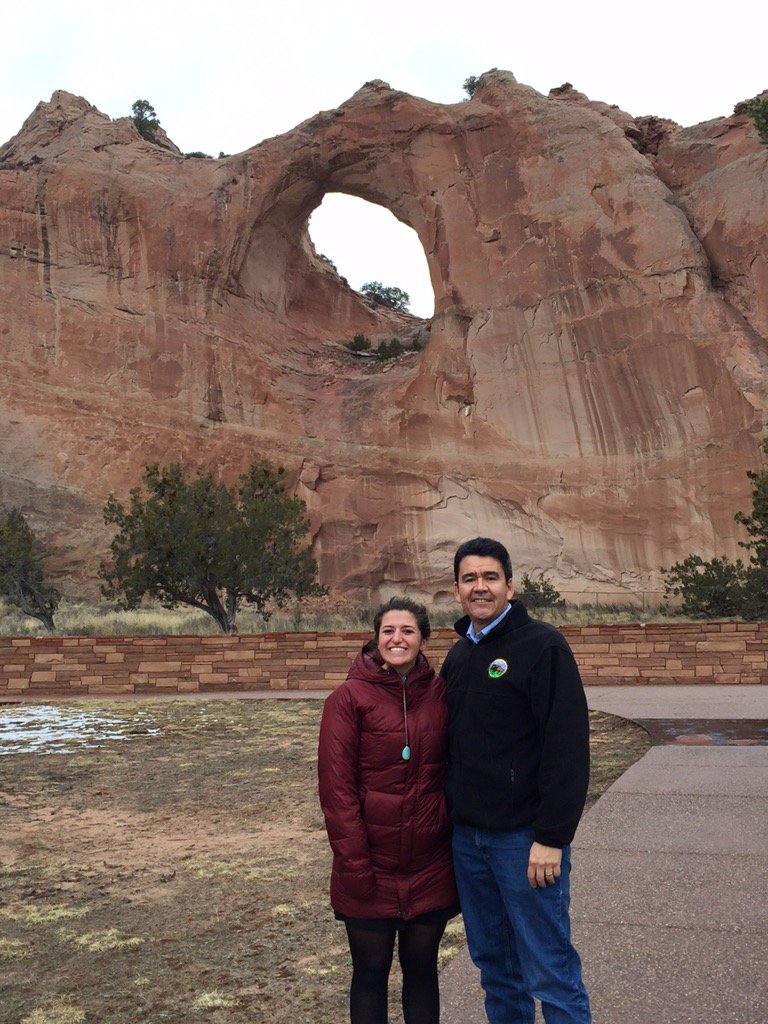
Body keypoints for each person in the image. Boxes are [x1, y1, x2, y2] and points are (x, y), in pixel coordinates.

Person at [442, 537, 591, 1024]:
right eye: (469, 579)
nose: (479, 587)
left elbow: (566, 748)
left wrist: (551, 837)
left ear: (511, 584)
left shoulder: (542, 646)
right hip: (469, 842)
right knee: (495, 969)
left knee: (549, 970)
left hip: (524, 843)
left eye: (489, 577)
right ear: (457, 589)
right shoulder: (460, 656)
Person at [318, 596, 459, 1024]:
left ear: (423, 639)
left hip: (429, 864)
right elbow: (336, 789)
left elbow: (455, 767)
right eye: (388, 631)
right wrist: (354, 862)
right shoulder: (347, 698)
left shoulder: (440, 693)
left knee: (422, 972)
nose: (397, 639)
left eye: (408, 631)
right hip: (369, 865)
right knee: (370, 973)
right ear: (375, 638)